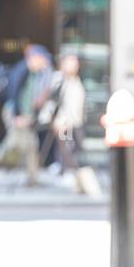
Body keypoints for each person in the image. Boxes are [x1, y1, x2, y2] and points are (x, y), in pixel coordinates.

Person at [0, 45, 52, 186]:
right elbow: (14, 94)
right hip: (16, 114)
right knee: (12, 146)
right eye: (42, 60)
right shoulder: (22, 71)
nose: (44, 63)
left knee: (31, 145)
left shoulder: (36, 74)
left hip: (27, 116)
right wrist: (18, 116)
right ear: (34, 58)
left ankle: (32, 180)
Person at [41, 53, 100, 196]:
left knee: (75, 150)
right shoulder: (59, 80)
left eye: (75, 63)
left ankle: (75, 177)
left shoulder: (75, 81)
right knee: (67, 148)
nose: (73, 66)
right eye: (70, 62)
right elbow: (52, 101)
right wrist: (51, 119)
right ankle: (68, 173)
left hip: (76, 123)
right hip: (64, 122)